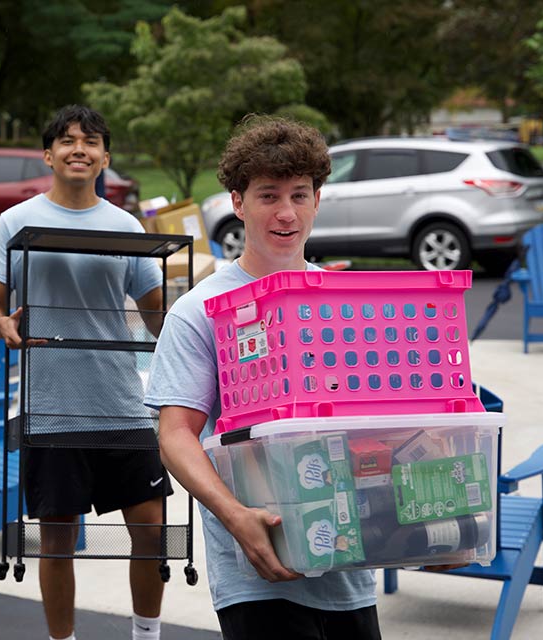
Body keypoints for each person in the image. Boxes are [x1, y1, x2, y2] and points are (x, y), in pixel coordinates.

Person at [143, 116, 380, 639]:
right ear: (237, 202)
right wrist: (234, 516)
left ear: (318, 199)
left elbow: (378, 421)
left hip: (350, 565)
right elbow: (176, 433)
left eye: (299, 194)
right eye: (268, 195)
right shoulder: (200, 309)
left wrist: (421, 524)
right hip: (258, 571)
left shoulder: (347, 302)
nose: (286, 212)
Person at [0, 105, 168, 640]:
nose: (77, 148)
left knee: (151, 530)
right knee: (57, 540)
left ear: (105, 156)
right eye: (66, 140)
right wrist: (2, 327)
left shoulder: (124, 225)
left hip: (121, 402)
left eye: (90, 141)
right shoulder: (16, 222)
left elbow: (156, 312)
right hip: (52, 405)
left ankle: (145, 635)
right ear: (49, 155)